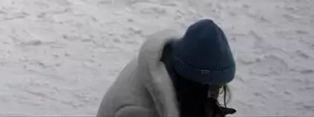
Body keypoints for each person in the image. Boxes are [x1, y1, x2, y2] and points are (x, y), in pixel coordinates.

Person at [97, 18, 236, 117]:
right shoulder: (140, 110)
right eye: (212, 88)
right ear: (193, 85)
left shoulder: (167, 63)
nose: (214, 95)